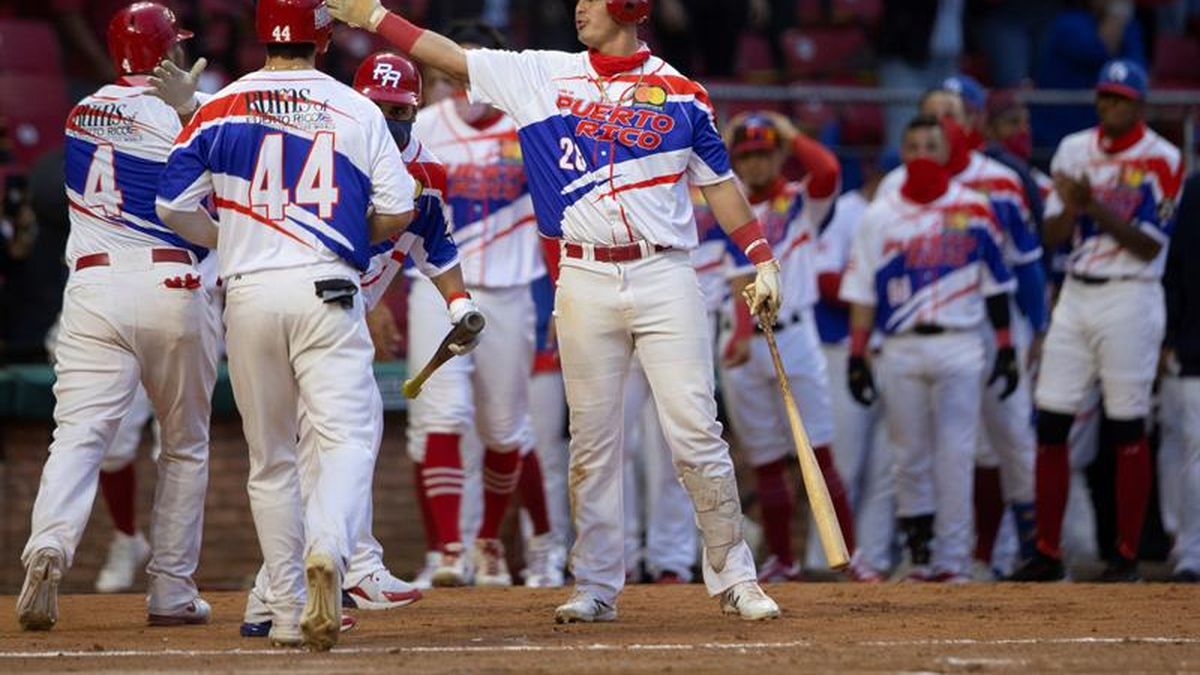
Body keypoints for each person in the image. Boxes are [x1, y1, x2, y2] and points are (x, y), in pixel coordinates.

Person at [326, 0, 782, 621]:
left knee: (696, 432)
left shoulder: (682, 92)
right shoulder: (544, 73)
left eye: (592, 1)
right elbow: (448, 55)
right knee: (592, 442)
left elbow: (720, 184)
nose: (579, 10)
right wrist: (374, 17)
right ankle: (595, 584)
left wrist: (762, 259)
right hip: (583, 271)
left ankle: (735, 577)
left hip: (663, 270)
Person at [156, 0, 474, 650]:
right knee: (350, 438)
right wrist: (345, 232)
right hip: (326, 287)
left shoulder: (223, 102)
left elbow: (169, 203)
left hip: (246, 293)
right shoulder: (353, 108)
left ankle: (283, 609)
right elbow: (393, 213)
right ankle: (330, 549)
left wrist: (234, 237)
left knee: (270, 460)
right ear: (321, 42)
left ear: (259, 36)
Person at [237, 50, 466, 636]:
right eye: (379, 106)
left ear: (416, 111)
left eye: (400, 109)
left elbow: (434, 246)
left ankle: (287, 589)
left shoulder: (428, 169)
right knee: (328, 446)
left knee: (324, 447)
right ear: (357, 102)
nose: (390, 117)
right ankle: (335, 570)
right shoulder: (331, 140)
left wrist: (459, 305)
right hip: (316, 300)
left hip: (325, 303)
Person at [16, 1, 217, 631]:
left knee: (77, 435)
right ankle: (171, 593)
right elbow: (229, 178)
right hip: (169, 279)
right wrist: (193, 109)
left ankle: (49, 545)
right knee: (183, 445)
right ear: (167, 52)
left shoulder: (81, 112)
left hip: (92, 288)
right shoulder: (191, 110)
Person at [1012, 59, 1183, 583]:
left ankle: (1126, 556)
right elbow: (1051, 237)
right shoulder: (1073, 148)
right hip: (1077, 293)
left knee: (1127, 424)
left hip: (1131, 296)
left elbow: (1150, 243)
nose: (1110, 107)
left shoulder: (1162, 157)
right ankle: (1046, 551)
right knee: (1052, 420)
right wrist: (1070, 209)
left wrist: (1094, 205)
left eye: (1121, 99)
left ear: (1140, 104)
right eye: (1105, 98)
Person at [404, 20, 556, 589]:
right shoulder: (423, 128)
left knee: (503, 428)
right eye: (452, 70)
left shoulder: (529, 126)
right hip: (438, 289)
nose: (462, 81)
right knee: (441, 416)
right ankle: (448, 551)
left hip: (512, 292)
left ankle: (489, 541)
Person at [841, 115, 1019, 583]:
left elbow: (997, 284)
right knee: (909, 453)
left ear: (946, 152)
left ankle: (954, 560)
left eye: (931, 145)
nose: (922, 152)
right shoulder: (881, 214)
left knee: (956, 453)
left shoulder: (976, 208)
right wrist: (858, 355)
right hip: (900, 346)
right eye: (913, 144)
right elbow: (861, 291)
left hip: (961, 342)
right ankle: (920, 558)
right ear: (903, 152)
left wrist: (1005, 345)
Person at [880, 83, 1047, 571]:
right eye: (933, 115)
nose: (943, 125)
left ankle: (1031, 548)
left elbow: (1029, 263)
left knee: (1012, 430)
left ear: (969, 122)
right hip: (924, 322)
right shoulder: (896, 187)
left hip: (995, 317)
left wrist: (1036, 330)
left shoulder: (1001, 180)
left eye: (951, 115)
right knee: (943, 445)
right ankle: (948, 553)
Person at [713, 112, 854, 582]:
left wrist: (790, 133)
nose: (755, 164)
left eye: (764, 153)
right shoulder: (725, 205)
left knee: (818, 450)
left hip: (794, 334)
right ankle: (783, 560)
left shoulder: (797, 202)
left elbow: (829, 171)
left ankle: (848, 558)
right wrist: (736, 333)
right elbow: (735, 278)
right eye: (746, 155)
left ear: (778, 155)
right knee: (766, 459)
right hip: (745, 342)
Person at [814, 159, 895, 582]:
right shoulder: (844, 210)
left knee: (887, 466)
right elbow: (826, 280)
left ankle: (874, 557)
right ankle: (822, 556)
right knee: (842, 461)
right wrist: (894, 294)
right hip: (844, 347)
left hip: (893, 349)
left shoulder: (910, 212)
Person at [1164, 172, 1199, 582]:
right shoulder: (1196, 189)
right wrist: (1172, 332)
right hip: (1196, 345)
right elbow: (1176, 265)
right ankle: (1191, 551)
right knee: (1195, 451)